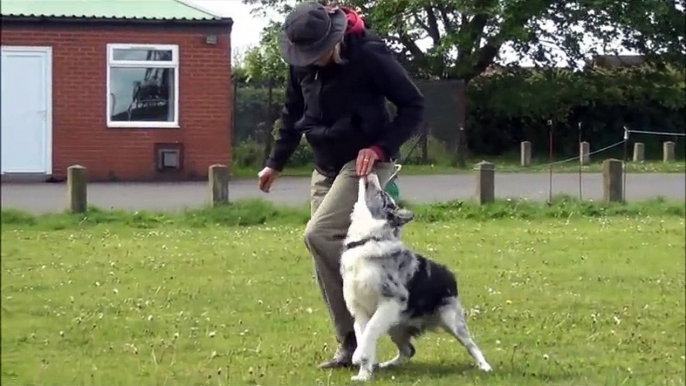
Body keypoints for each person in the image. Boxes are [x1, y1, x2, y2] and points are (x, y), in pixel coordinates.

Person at [257, 1, 425, 369]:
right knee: (323, 251)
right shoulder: (301, 60)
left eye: (318, 53)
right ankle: (351, 342)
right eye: (305, 55)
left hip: (365, 163)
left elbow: (414, 105)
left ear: (335, 38)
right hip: (326, 164)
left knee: (318, 235)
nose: (312, 61)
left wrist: (381, 147)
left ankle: (389, 307)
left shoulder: (370, 55)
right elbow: (292, 111)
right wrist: (275, 162)